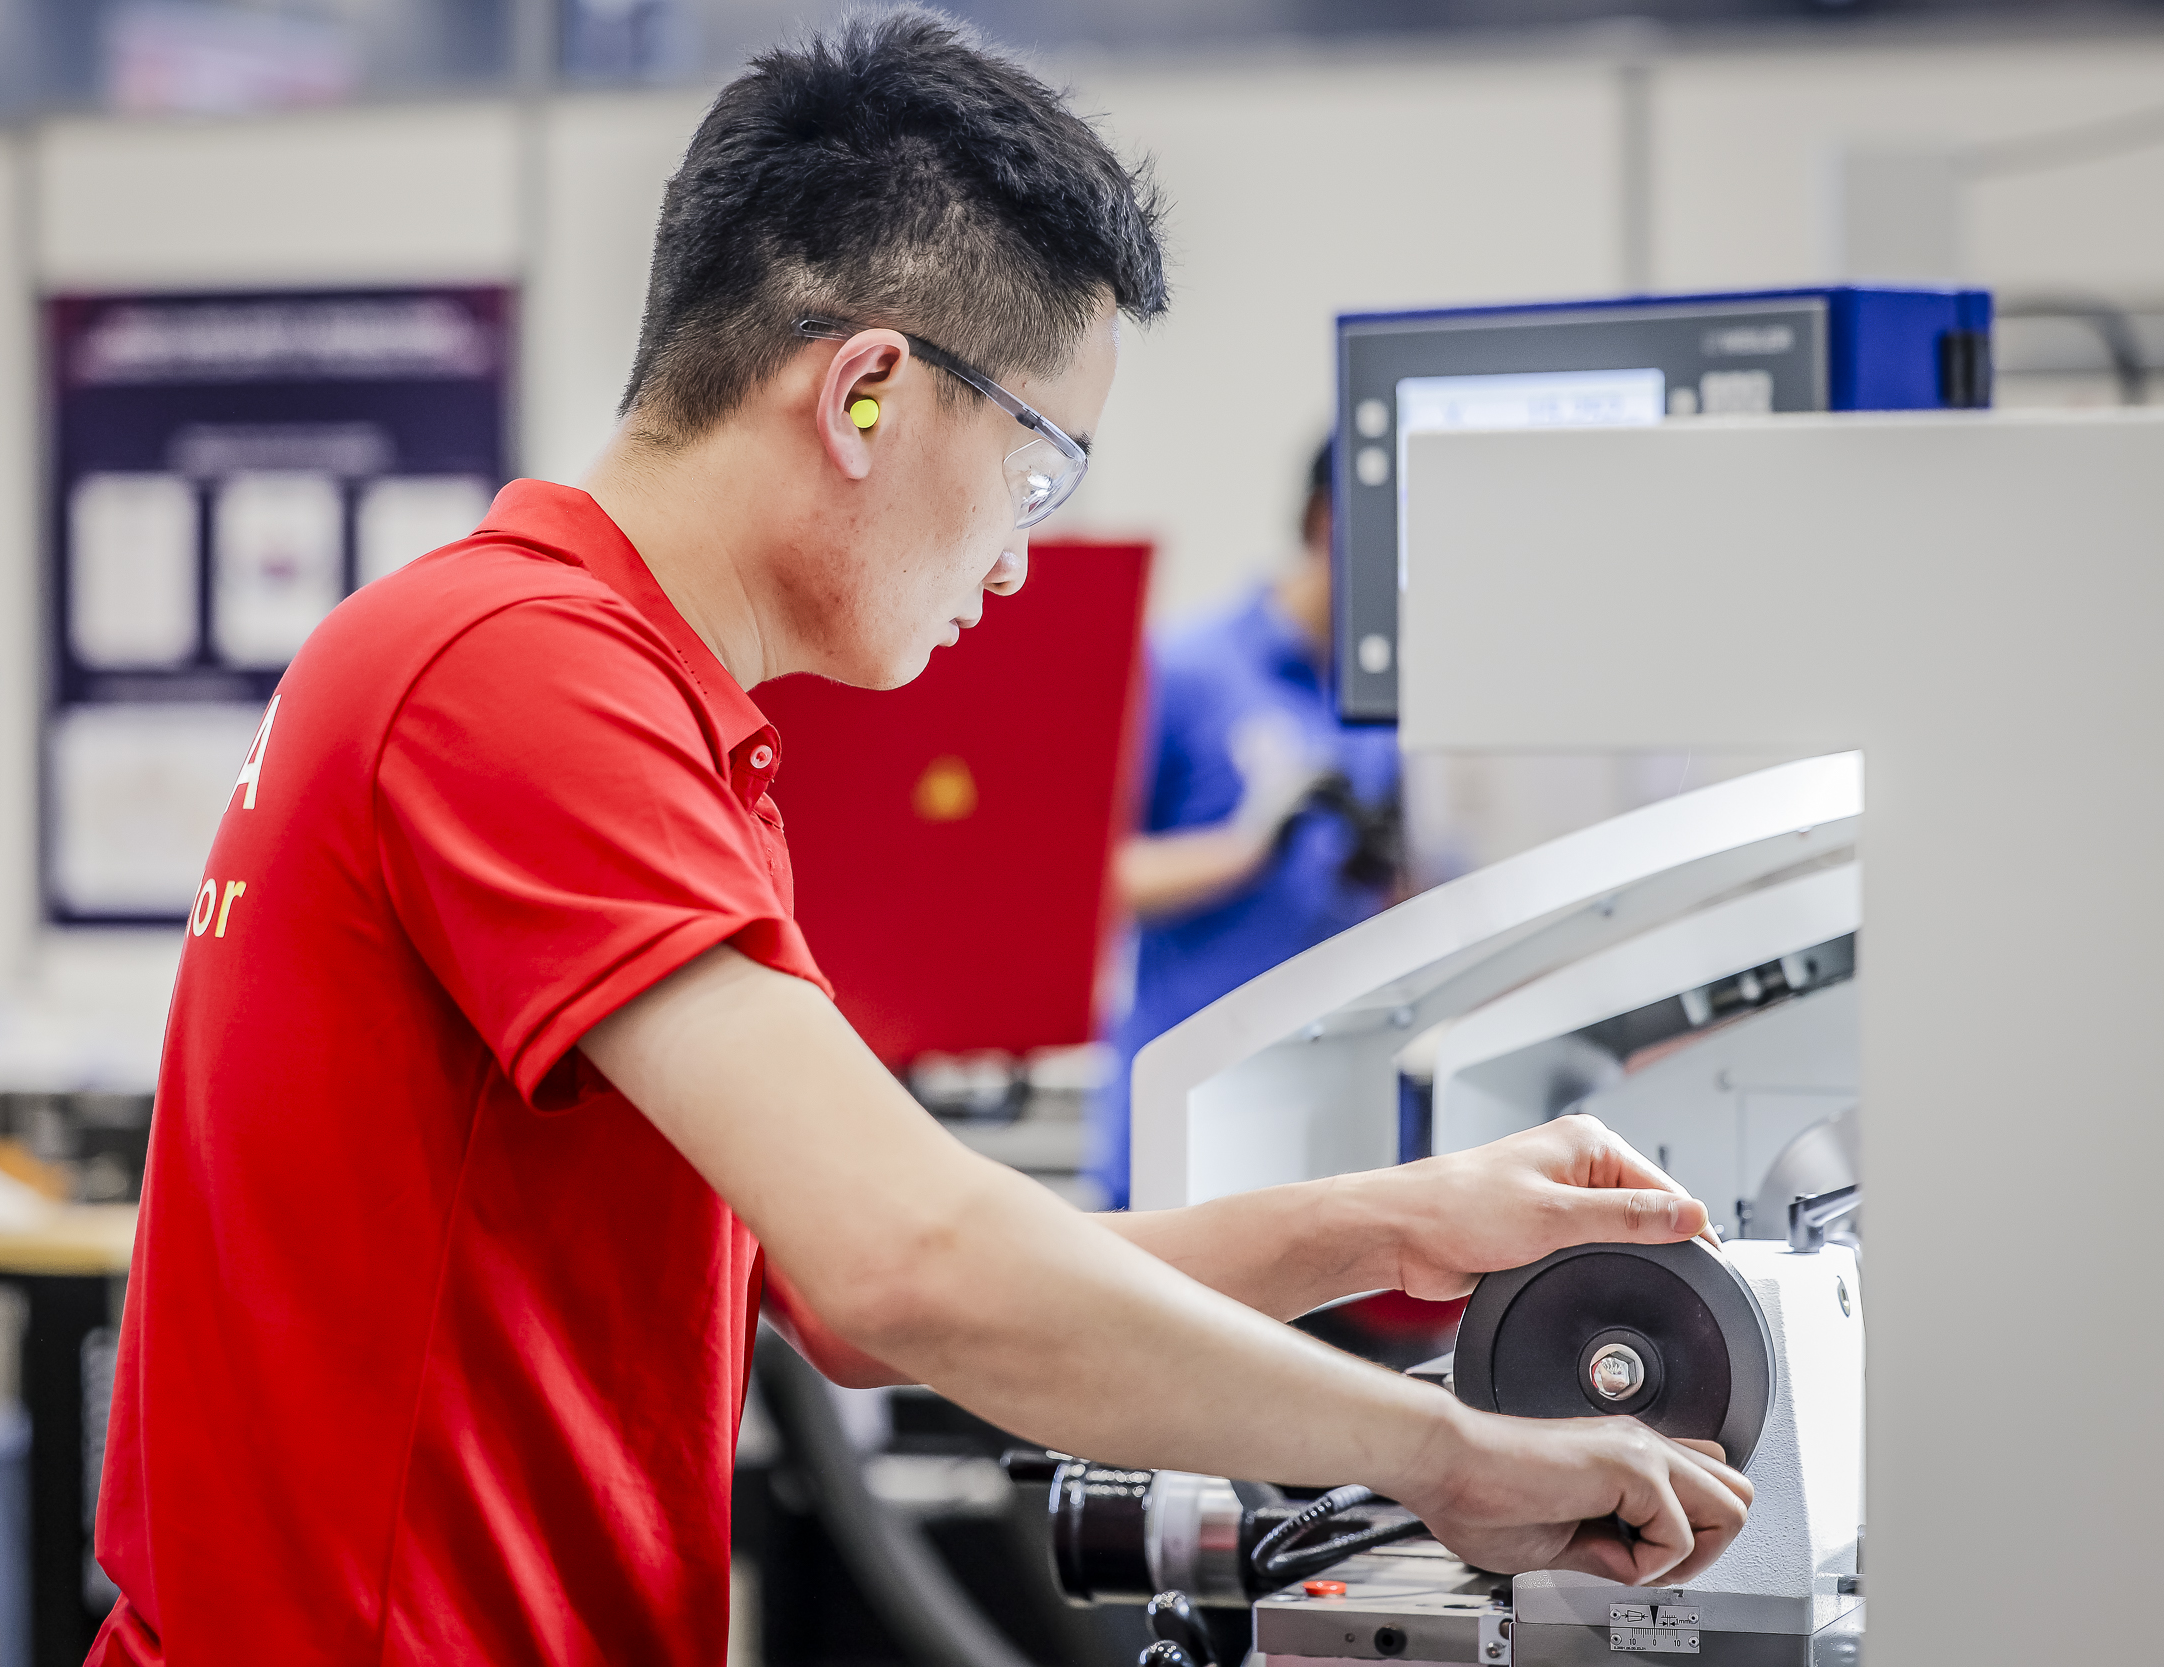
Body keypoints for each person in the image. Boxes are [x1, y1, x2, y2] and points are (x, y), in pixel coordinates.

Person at [87, 15, 1750, 1665]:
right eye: (1038, 470)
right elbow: (911, 1271)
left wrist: (1389, 1225)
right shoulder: (521, 673)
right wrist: (1451, 1457)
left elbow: (874, 1279)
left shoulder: (637, 703)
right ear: (869, 393)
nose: (1023, 563)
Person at [1091, 439, 1403, 1207]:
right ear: (1330, 523)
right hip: (1189, 1133)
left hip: (1345, 1141)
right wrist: (1246, 850)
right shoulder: (1187, 667)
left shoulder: (1403, 699)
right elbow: (1084, 883)